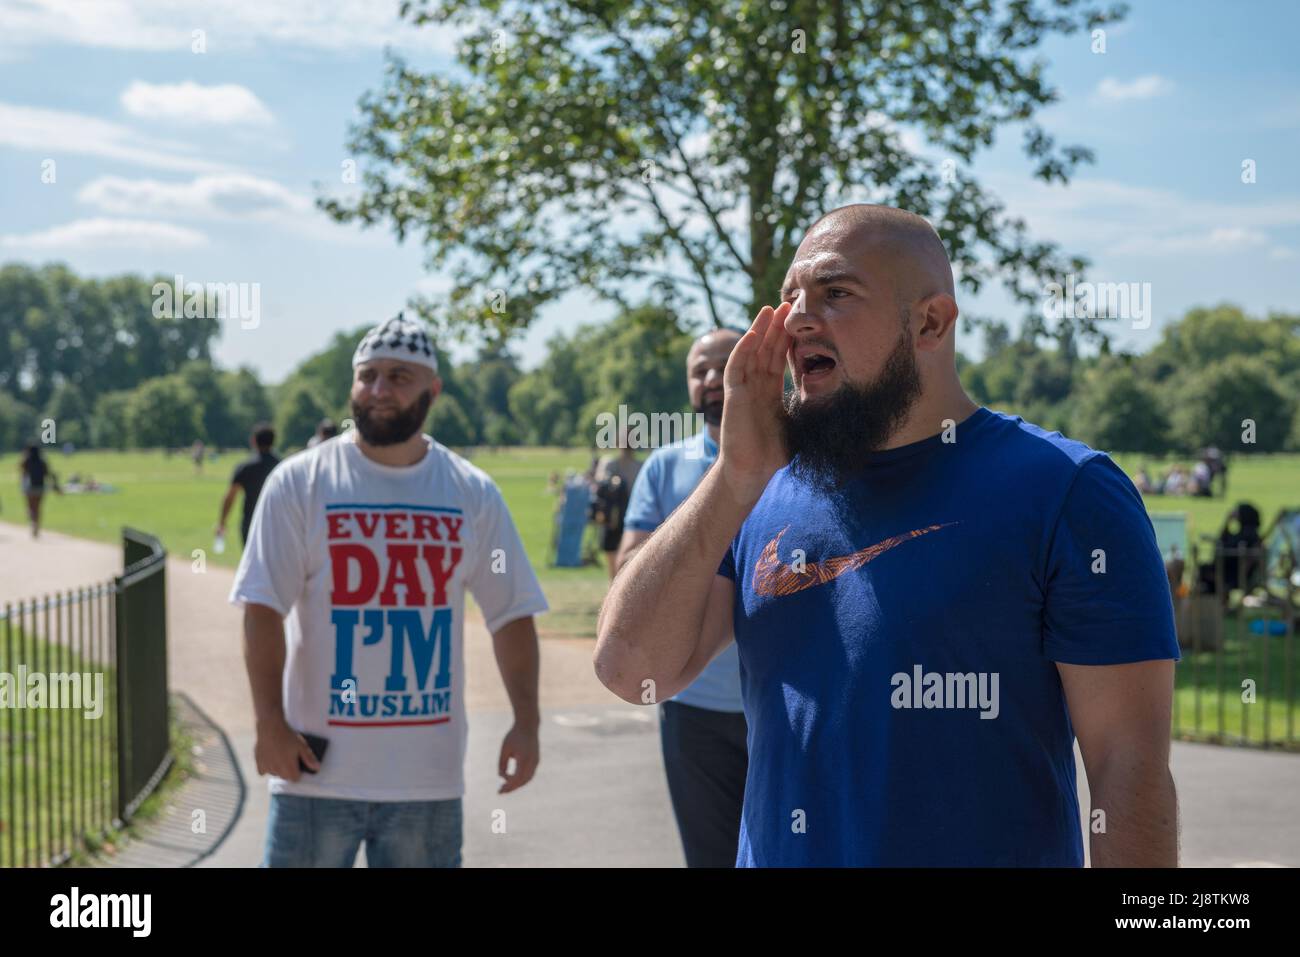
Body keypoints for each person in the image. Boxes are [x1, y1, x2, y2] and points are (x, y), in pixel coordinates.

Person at [595, 204, 1180, 867]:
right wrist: (732, 479)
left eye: (835, 292)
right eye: (790, 298)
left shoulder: (1067, 491)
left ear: (930, 322)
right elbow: (629, 669)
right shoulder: (760, 490)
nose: (796, 319)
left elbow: (1126, 767)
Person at [228, 313, 548, 868]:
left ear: (433, 389)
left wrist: (527, 722)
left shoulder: (470, 492)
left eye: (399, 376)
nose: (378, 390)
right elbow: (262, 608)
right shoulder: (300, 483)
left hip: (425, 780)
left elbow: (511, 614)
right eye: (367, 375)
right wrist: (268, 723)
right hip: (315, 776)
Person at [617, 327, 747, 867]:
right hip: (693, 708)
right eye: (699, 370)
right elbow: (627, 574)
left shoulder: (805, 455)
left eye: (725, 365)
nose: (713, 379)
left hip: (790, 701)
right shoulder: (665, 467)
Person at [217, 424, 282, 548]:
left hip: (251, 523)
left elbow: (230, 497)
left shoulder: (245, 467)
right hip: (277, 523)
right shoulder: (282, 466)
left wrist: (222, 522)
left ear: (253, 441)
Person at [593, 442, 640, 579]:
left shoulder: (609, 463)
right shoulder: (638, 466)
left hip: (620, 518)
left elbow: (598, 485)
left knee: (616, 557)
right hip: (625, 517)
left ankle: (615, 587)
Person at [18, 444, 61, 538]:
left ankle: (32, 521)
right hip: (40, 487)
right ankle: (36, 524)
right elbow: (48, 474)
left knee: (30, 507)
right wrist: (56, 486)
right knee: (38, 507)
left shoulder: (26, 461)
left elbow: (22, 472)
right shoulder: (42, 461)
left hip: (29, 488)